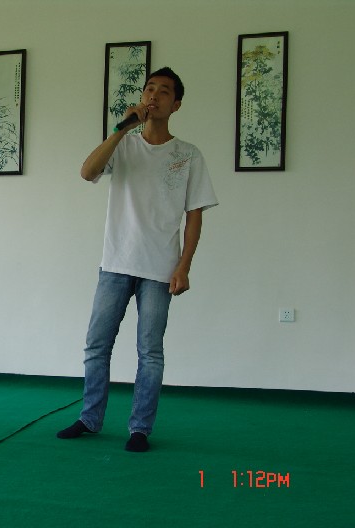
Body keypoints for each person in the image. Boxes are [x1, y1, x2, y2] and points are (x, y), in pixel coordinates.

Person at [57, 67, 218, 452]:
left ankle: (140, 429)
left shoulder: (188, 155)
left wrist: (184, 266)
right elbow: (87, 172)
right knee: (97, 345)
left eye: (164, 92)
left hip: (160, 268)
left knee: (150, 352)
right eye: (150, 89)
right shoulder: (124, 145)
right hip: (116, 262)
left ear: (176, 105)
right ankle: (90, 418)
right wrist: (122, 128)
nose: (154, 96)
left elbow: (195, 215)